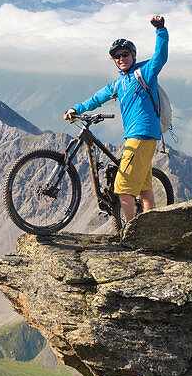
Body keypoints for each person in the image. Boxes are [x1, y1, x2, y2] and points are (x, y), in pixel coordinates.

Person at [64, 15, 168, 223]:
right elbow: (97, 98)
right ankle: (149, 228)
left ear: (134, 55)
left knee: (122, 186)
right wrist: (76, 109)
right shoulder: (119, 83)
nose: (121, 58)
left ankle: (131, 232)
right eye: (117, 57)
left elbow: (161, 56)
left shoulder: (145, 72)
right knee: (145, 186)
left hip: (142, 133)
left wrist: (160, 30)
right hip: (140, 135)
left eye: (125, 54)